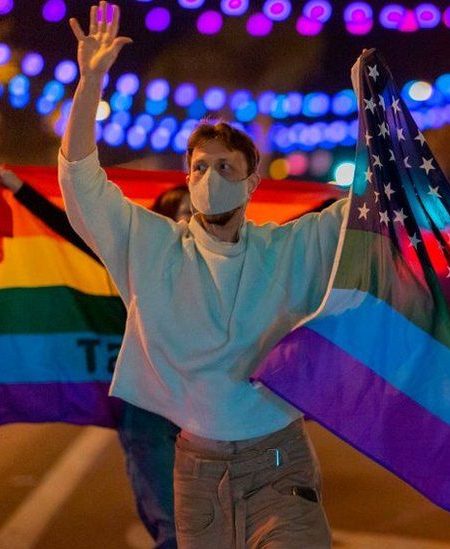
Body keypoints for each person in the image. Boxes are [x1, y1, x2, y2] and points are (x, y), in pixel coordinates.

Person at [60, 3, 347, 546]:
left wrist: (381, 121)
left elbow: (365, 214)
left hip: (280, 464)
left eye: (225, 167)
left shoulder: (287, 247)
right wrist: (90, 83)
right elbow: (80, 181)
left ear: (252, 183)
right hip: (197, 469)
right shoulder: (150, 245)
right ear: (185, 179)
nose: (210, 176)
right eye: (199, 166)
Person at [0, 165, 185, 549]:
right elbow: (75, 229)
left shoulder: (228, 264)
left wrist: (327, 209)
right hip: (148, 412)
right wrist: (23, 191)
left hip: (207, 417)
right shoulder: (133, 262)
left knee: (212, 530)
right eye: (180, 212)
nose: (189, 218)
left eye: (196, 212)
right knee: (172, 530)